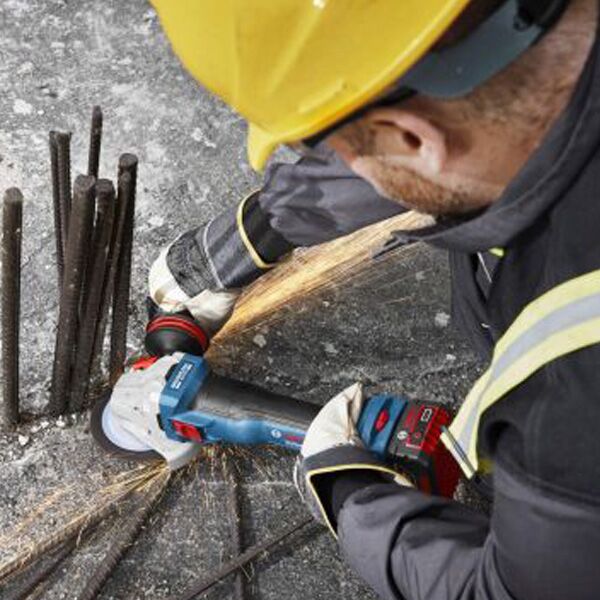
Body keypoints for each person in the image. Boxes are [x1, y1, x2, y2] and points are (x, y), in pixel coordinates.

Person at [148, 1, 600, 598]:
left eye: (329, 146)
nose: (339, 162)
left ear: (411, 138)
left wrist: (351, 492)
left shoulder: (569, 400)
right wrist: (247, 240)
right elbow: (459, 109)